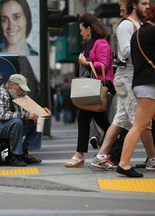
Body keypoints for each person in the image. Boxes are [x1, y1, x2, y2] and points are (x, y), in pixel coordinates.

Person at [91, 0, 155, 171]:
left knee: (122, 119)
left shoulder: (138, 25)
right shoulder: (127, 25)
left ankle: (101, 155)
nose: (147, 6)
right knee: (141, 122)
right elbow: (126, 51)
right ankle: (152, 159)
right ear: (134, 5)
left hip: (129, 76)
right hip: (128, 76)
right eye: (143, 3)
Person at [64, 13, 114, 168]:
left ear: (89, 29)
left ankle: (80, 155)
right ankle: (109, 152)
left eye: (81, 29)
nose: (80, 33)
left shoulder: (101, 44)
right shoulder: (90, 45)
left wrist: (86, 62)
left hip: (98, 87)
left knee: (84, 118)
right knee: (105, 124)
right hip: (91, 88)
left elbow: (104, 65)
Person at [0, 74, 51, 166]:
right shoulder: (0, 93)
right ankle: (14, 156)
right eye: (20, 88)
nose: (22, 91)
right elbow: (2, 115)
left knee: (35, 121)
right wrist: (27, 115)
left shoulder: (15, 94)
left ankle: (24, 152)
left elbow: (26, 112)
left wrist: (40, 112)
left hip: (4, 126)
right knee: (17, 122)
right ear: (11, 85)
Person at [116, 4, 155, 177]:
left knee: (139, 125)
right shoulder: (152, 33)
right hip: (150, 85)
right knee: (139, 125)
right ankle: (123, 164)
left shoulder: (137, 34)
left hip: (140, 82)